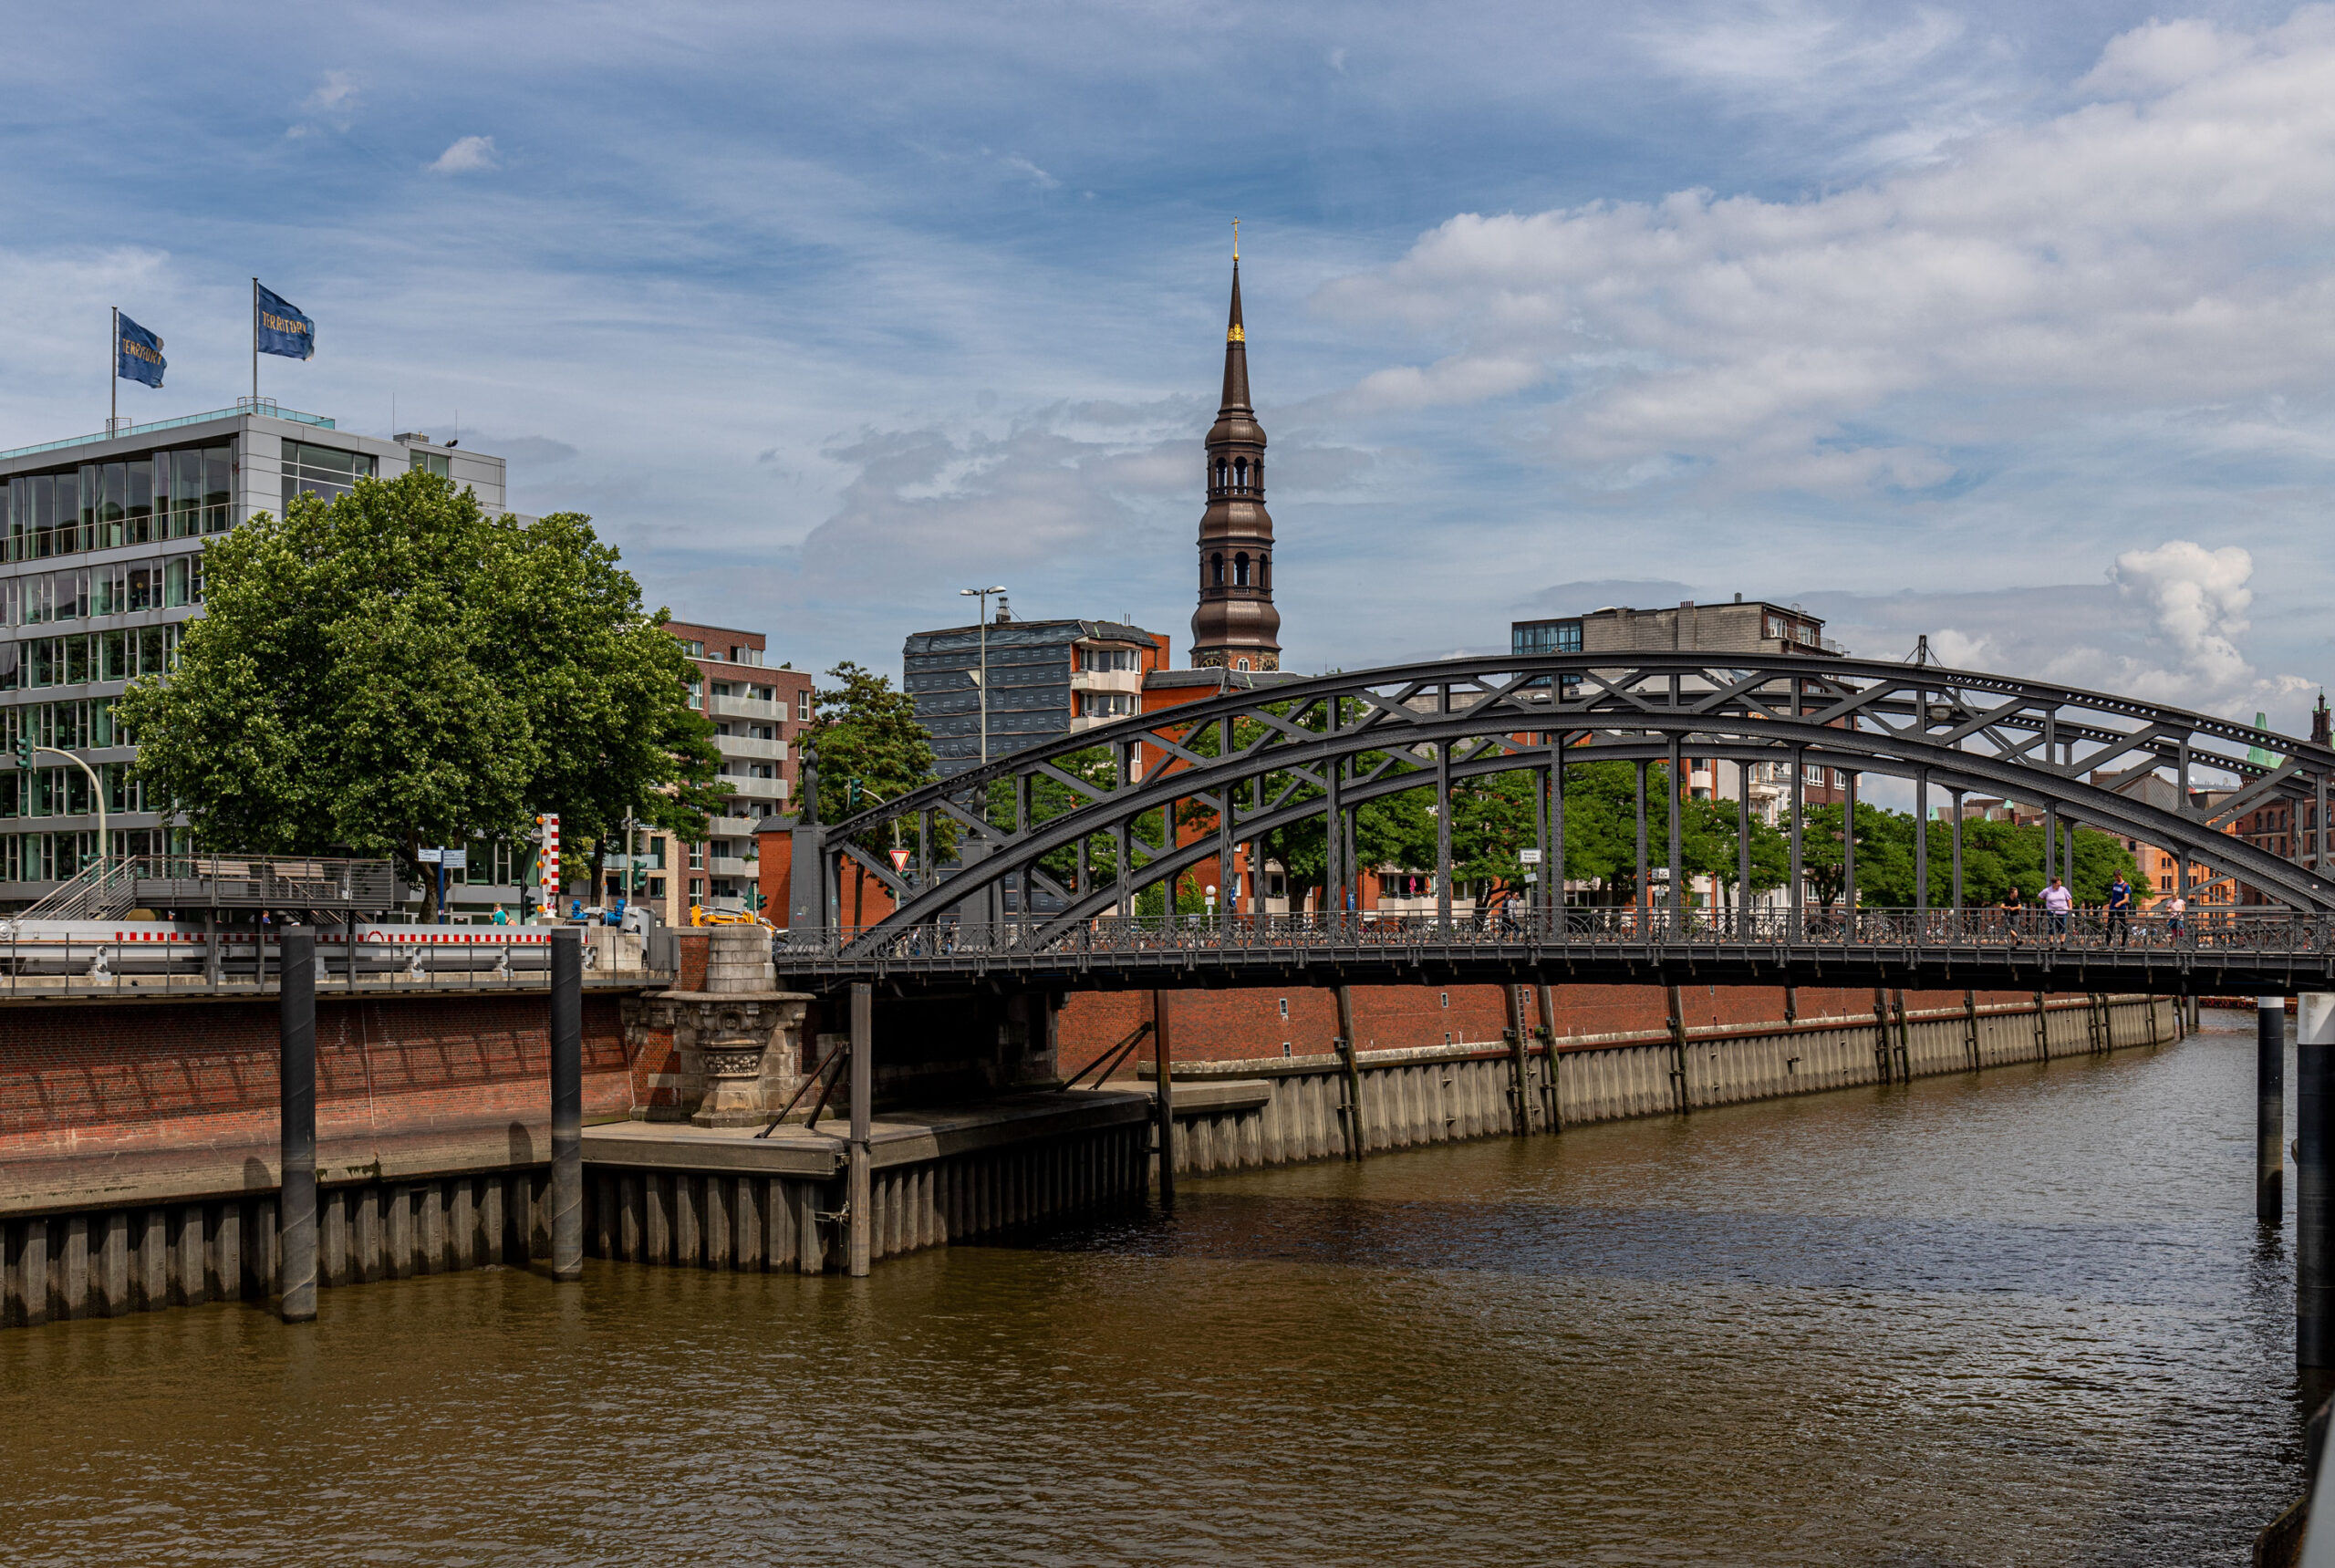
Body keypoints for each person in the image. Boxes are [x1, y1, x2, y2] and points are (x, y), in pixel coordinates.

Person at [2042, 876, 2073, 940]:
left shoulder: (2063, 889)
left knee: (2062, 927)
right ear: (2053, 884)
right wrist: (2048, 900)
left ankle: (2062, 943)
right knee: (2051, 927)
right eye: (2058, 885)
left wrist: (2070, 907)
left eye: (2060, 884)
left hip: (2062, 911)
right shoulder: (2047, 890)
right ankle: (2051, 943)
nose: (2059, 886)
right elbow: (2040, 896)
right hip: (2052, 911)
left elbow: (2069, 899)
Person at [2105, 872, 2133, 947]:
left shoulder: (2125, 886)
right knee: (2110, 925)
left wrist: (2120, 903)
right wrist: (2110, 903)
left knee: (2122, 925)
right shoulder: (2114, 884)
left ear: (2121, 875)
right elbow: (2113, 895)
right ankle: (2107, 943)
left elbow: (2126, 899)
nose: (2116, 878)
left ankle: (2124, 943)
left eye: (2117, 877)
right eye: (2115, 877)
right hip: (2112, 908)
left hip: (2121, 908)